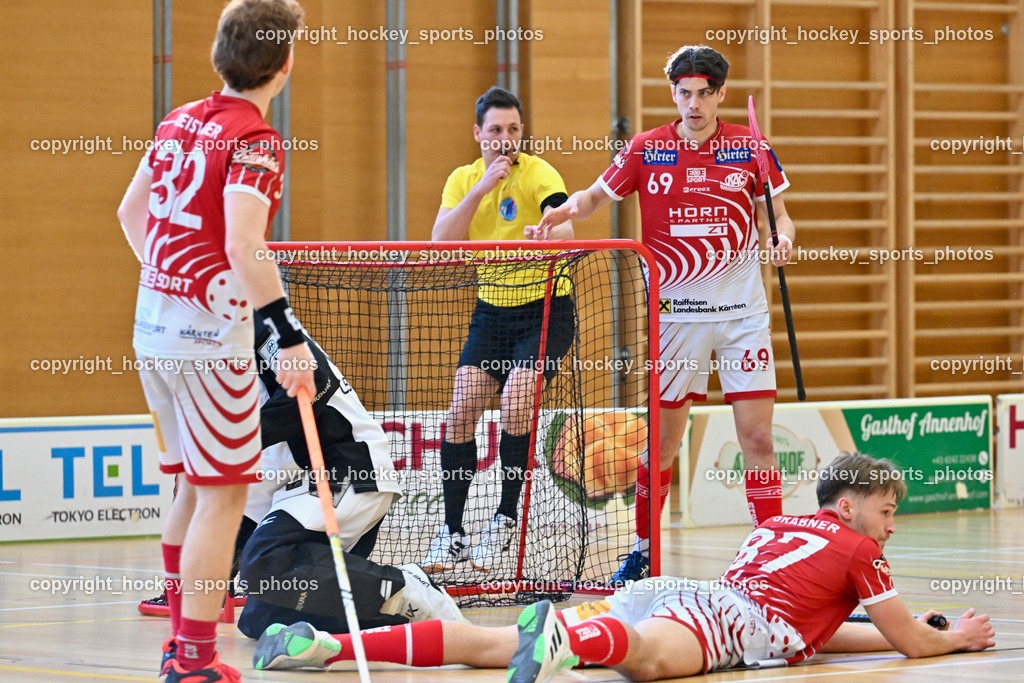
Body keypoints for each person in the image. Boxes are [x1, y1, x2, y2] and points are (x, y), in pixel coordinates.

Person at [250, 452, 996, 681]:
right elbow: (910, 641)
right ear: (851, 504)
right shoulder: (859, 547)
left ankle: (323, 647)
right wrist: (954, 635)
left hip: (685, 593)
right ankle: (568, 644)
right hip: (722, 622)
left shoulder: (781, 527)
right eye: (888, 509)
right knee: (651, 665)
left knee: (487, 643)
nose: (892, 524)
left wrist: (881, 628)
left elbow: (819, 630)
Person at [534, 45, 796, 583]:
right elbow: (590, 199)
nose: (693, 104)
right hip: (678, 318)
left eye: (704, 93)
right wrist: (561, 212)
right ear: (672, 93)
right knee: (665, 441)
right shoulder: (645, 149)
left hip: (742, 314)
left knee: (760, 440)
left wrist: (782, 239)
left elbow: (783, 219)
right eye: (684, 93)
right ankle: (644, 547)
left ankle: (770, 554)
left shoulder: (751, 147)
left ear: (721, 94)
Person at [116, 1, 313, 680]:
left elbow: (130, 212)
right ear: (284, 65)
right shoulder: (256, 139)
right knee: (223, 494)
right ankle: (195, 659)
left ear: (218, 55)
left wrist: (171, 283)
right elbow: (243, 242)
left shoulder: (177, 120)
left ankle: (180, 642)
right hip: (206, 342)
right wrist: (284, 332)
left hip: (151, 328)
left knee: (191, 490)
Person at [140, 314, 465, 637]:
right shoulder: (209, 380)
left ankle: (406, 585)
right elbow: (241, 516)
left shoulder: (256, 327)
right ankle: (404, 618)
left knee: (263, 559)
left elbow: (318, 382)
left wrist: (239, 442)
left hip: (348, 466)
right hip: (296, 492)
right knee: (261, 617)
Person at [425, 86, 574, 574]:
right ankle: (452, 533)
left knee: (515, 400)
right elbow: (442, 238)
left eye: (513, 130)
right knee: (461, 409)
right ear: (478, 134)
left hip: (547, 309)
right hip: (492, 312)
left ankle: (505, 520)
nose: (505, 140)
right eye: (495, 131)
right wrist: (482, 188)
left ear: (522, 133)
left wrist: (548, 229)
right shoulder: (463, 179)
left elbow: (568, 226)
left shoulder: (539, 173)